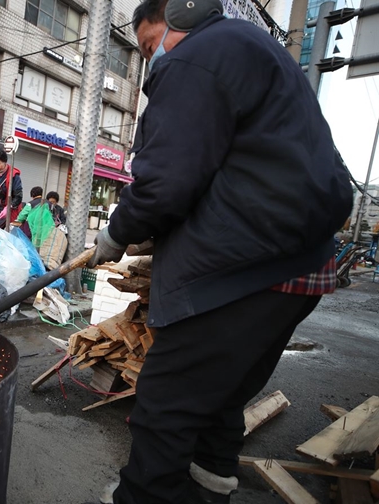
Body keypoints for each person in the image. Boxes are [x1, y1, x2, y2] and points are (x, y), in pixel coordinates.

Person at [85, 0, 353, 503]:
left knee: (165, 404)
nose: (152, 59)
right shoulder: (258, 50)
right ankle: (210, 489)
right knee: (223, 394)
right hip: (299, 266)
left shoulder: (198, 54)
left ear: (180, 17)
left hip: (241, 266)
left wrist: (116, 233)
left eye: (149, 45)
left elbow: (166, 178)